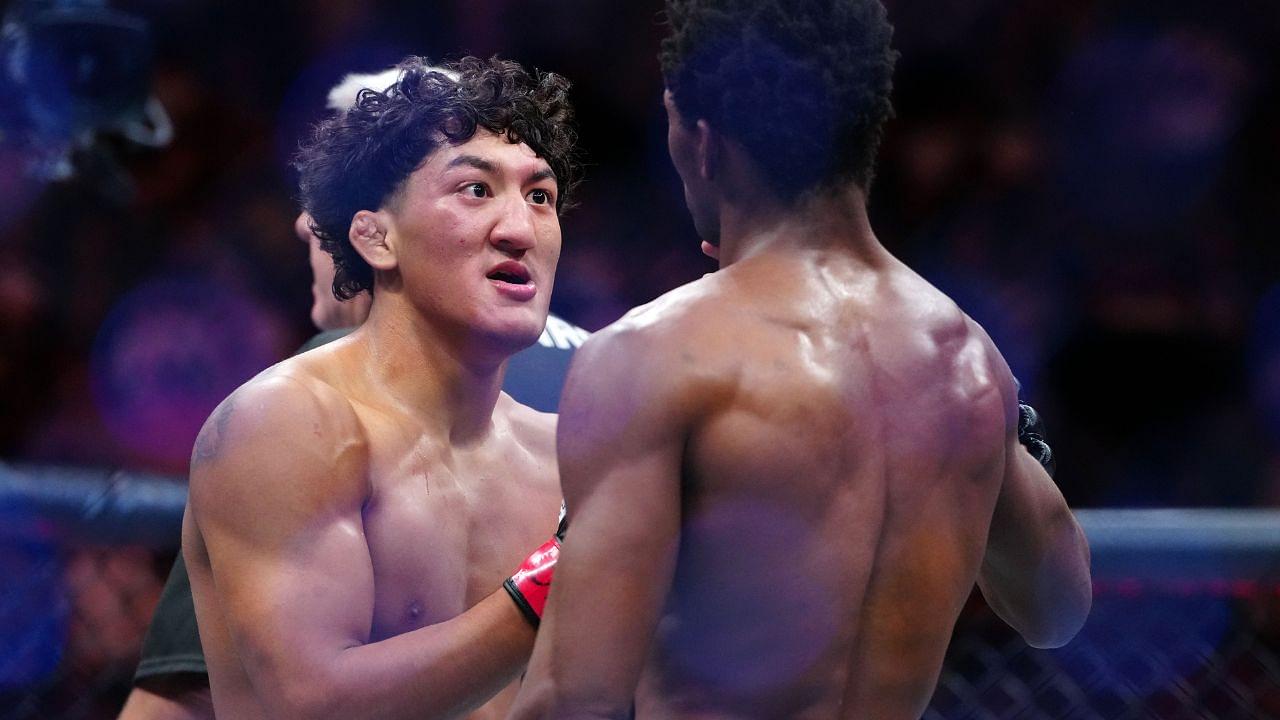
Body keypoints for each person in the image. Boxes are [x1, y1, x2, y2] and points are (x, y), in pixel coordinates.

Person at [507, 1, 1091, 718]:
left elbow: (576, 698)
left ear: (700, 140)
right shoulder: (967, 361)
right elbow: (1059, 611)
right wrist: (1002, 441)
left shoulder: (652, 357)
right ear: (866, 133)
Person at [117, 63, 587, 720]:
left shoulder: (566, 456)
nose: (519, 226)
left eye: (540, 196)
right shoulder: (285, 423)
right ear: (375, 236)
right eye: (476, 189)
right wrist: (556, 575)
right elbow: (314, 705)